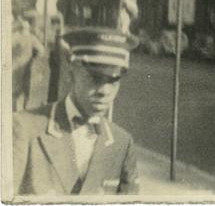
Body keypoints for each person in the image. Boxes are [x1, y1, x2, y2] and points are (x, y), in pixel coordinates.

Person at [13, 27, 140, 195]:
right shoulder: (25, 128)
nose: (105, 91)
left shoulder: (122, 143)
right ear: (71, 72)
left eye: (114, 80)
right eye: (95, 78)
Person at [12, 17, 45, 111]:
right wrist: (34, 58)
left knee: (16, 89)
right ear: (28, 28)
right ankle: (24, 108)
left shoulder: (15, 37)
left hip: (15, 66)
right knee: (26, 88)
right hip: (27, 65)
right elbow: (41, 50)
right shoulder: (31, 37)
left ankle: (15, 109)